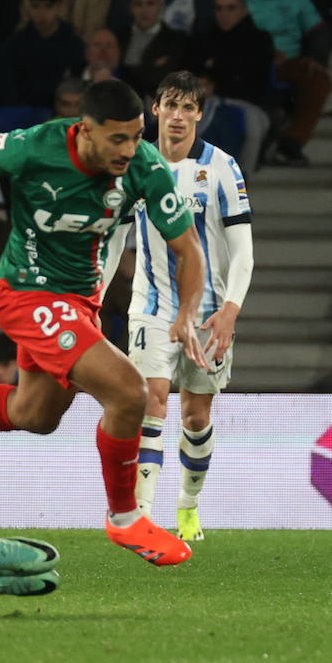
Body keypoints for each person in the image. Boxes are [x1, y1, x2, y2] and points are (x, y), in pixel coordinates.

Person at [0, 79, 208, 567]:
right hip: (23, 291)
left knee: (34, 414)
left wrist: (186, 314)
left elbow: (189, 252)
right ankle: (125, 519)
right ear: (86, 131)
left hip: (80, 301)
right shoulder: (34, 146)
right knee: (129, 392)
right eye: (117, 138)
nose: (129, 149)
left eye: (136, 135)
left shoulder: (144, 165)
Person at [106, 72, 253, 542]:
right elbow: (115, 239)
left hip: (208, 311)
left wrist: (231, 308)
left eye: (189, 107)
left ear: (199, 114)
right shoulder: (134, 166)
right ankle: (142, 516)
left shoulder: (223, 168)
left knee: (195, 416)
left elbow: (243, 248)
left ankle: (188, 507)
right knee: (150, 402)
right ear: (155, 109)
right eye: (171, 104)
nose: (178, 115)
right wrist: (94, 297)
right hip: (151, 307)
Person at [242, 0, 332, 166]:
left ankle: (291, 142)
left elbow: (318, 31)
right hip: (250, 62)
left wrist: (315, 56)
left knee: (317, 78)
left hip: (290, 63)